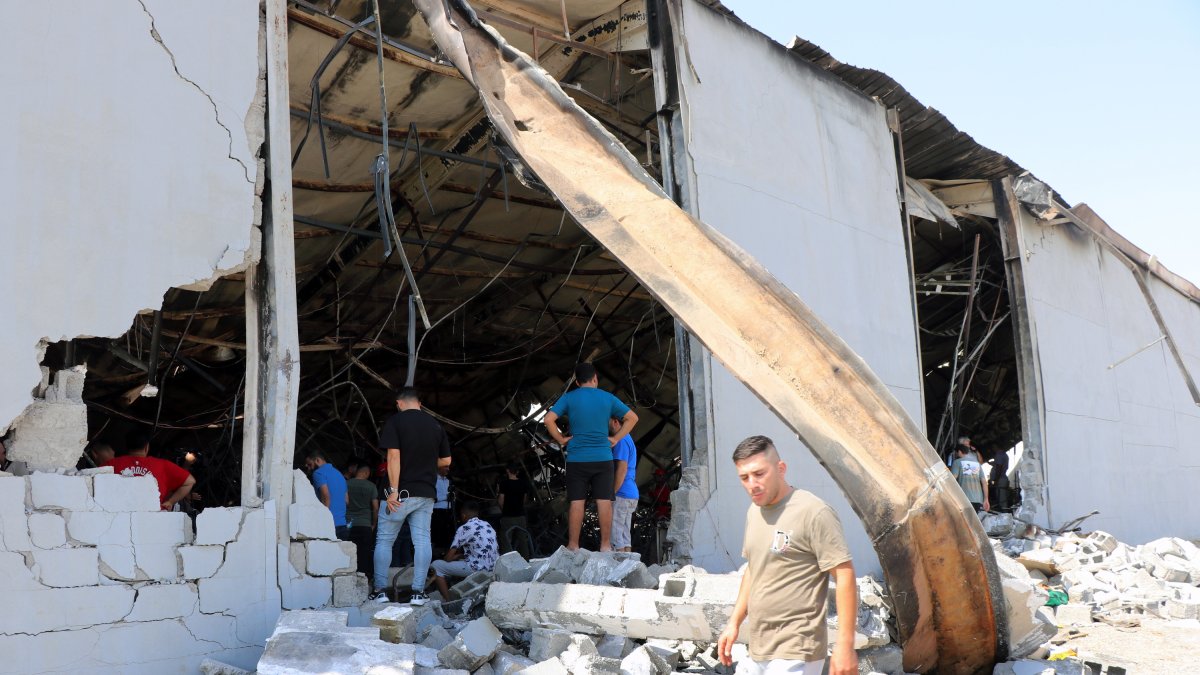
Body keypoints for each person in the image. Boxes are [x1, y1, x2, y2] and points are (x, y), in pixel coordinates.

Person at [717, 436, 858, 675]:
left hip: (798, 649)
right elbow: (754, 569)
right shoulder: (754, 512)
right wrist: (734, 622)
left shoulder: (813, 512)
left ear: (781, 469)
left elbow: (844, 575)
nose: (752, 484)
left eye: (759, 474)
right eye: (744, 478)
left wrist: (845, 646)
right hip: (759, 648)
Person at [543, 362, 638, 552]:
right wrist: (615, 438)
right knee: (604, 501)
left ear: (577, 382)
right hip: (602, 458)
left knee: (577, 501)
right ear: (595, 378)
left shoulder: (569, 398)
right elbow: (632, 418)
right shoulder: (607, 398)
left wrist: (561, 439)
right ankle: (605, 546)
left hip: (577, 459)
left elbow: (548, 420)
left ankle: (573, 545)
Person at [372, 387, 452, 605]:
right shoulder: (436, 426)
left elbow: (393, 456)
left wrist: (394, 490)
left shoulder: (395, 423)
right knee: (422, 541)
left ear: (399, 403)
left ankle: (380, 591)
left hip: (400, 492)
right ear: (419, 404)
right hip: (426, 493)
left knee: (385, 540)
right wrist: (427, 462)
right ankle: (418, 592)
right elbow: (446, 462)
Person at [108, 430, 195, 511]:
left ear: (127, 446)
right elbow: (190, 481)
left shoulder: (111, 464)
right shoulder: (163, 465)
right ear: (146, 447)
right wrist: (170, 502)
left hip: (119, 516)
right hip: (152, 519)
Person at [430, 501, 499, 600]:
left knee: (436, 565)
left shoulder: (464, 528)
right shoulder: (487, 525)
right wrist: (459, 556)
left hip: (477, 568)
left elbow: (448, 558)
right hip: (493, 567)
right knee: (461, 560)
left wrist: (456, 556)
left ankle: (449, 601)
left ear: (463, 515)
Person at [305, 449, 349, 540]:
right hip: (343, 525)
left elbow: (326, 497)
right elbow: (347, 501)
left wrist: (322, 521)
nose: (308, 468)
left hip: (329, 525)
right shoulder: (339, 474)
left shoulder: (318, 473)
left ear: (317, 460)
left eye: (310, 464)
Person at [610, 417, 639, 553]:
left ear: (616, 422)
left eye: (608, 422)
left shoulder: (620, 440)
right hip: (632, 494)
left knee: (615, 533)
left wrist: (613, 492)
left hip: (622, 492)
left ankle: (618, 567)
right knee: (625, 534)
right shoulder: (628, 439)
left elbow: (622, 469)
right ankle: (628, 566)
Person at [346, 464, 379, 580]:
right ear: (366, 473)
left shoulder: (347, 483)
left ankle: (348, 576)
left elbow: (346, 502)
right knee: (364, 553)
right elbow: (375, 508)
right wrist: (373, 524)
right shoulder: (371, 486)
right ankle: (363, 578)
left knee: (348, 551)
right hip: (365, 524)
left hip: (349, 523)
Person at [951, 444, 989, 513]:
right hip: (978, 499)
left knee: (964, 522)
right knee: (973, 522)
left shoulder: (957, 462)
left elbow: (952, 480)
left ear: (959, 452)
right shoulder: (977, 464)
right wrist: (986, 499)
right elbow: (984, 482)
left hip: (964, 499)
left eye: (956, 453)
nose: (956, 455)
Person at [431, 464, 454, 555]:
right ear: (439, 467)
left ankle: (445, 554)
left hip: (448, 511)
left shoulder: (449, 481)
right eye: (445, 467)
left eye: (448, 467)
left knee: (447, 534)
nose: (448, 469)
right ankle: (434, 555)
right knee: (436, 535)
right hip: (437, 511)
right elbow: (432, 497)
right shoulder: (433, 480)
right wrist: (446, 497)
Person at [986, 447, 1010, 513]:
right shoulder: (1003, 455)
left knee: (1002, 500)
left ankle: (1005, 515)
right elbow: (997, 464)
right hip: (1001, 479)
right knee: (1001, 499)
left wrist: (996, 480)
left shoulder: (999, 454)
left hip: (1000, 479)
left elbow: (999, 467)